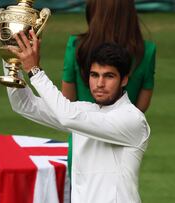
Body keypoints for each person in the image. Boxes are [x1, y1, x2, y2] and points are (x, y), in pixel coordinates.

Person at [0, 28, 150, 202]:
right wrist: (11, 58)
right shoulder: (84, 111)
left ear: (125, 79)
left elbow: (67, 116)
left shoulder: (132, 119)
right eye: (94, 75)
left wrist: (35, 72)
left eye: (109, 76)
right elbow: (24, 104)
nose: (99, 83)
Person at [61, 0, 157, 177]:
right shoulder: (147, 51)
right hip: (121, 145)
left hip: (81, 145)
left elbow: (67, 100)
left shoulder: (76, 46)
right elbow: (141, 105)